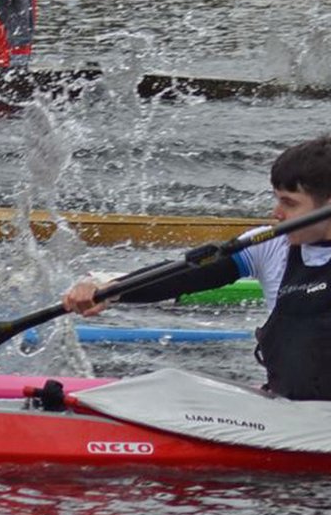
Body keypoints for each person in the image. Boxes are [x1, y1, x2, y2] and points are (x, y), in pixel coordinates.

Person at [62, 136, 331, 401]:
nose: (277, 213)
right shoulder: (270, 245)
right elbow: (185, 275)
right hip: (289, 412)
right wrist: (110, 289)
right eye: (277, 200)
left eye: (290, 203)